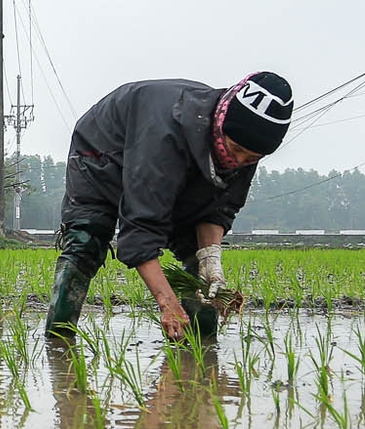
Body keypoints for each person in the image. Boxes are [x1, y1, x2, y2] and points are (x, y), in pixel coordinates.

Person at [43, 71, 293, 339]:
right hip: (101, 155)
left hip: (181, 167)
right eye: (235, 148)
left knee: (198, 265)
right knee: (86, 239)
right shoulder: (164, 136)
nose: (238, 159)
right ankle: (58, 341)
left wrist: (210, 256)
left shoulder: (243, 153)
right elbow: (141, 228)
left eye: (251, 157)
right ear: (221, 125)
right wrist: (167, 304)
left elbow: (220, 207)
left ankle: (201, 347)